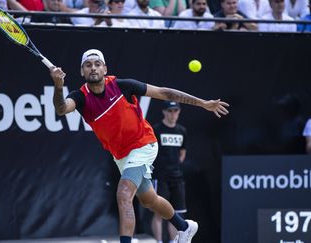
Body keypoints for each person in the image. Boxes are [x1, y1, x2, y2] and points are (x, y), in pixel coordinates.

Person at [50, 49, 229, 243]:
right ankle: (184, 227)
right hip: (121, 155)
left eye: (97, 64)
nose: (93, 68)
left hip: (143, 144)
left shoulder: (123, 86)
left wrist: (203, 103)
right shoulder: (80, 98)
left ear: (105, 68)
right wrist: (58, 87)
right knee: (148, 200)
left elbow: (163, 92)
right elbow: (61, 109)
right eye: (88, 65)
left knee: (124, 194)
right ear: (82, 71)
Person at [151, 101, 188, 243]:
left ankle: (174, 241)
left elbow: (182, 153)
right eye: (170, 111)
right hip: (160, 178)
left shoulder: (182, 131)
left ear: (179, 112)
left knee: (177, 214)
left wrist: (175, 166)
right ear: (164, 112)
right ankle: (159, 241)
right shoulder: (156, 130)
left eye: (175, 111)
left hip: (177, 178)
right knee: (159, 213)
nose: (173, 114)